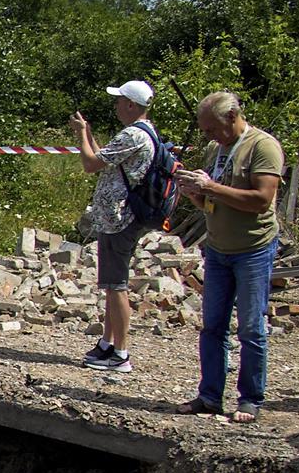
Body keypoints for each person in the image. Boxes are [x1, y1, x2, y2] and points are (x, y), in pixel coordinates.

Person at [173, 91, 285, 424]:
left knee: (251, 327)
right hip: (219, 248)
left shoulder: (263, 147)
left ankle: (250, 399)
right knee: (212, 326)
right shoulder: (216, 150)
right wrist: (194, 193)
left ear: (232, 117)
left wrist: (211, 188)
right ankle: (209, 396)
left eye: (211, 129)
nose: (208, 136)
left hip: (253, 248)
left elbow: (261, 199)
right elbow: (212, 201)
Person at [69, 79, 162, 374]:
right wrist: (91, 136)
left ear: (131, 105)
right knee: (110, 285)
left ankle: (120, 353)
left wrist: (82, 134)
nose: (116, 106)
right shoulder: (143, 133)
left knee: (117, 285)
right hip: (115, 219)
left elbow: (90, 164)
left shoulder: (133, 134)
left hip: (120, 220)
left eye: (120, 101)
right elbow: (107, 161)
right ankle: (107, 343)